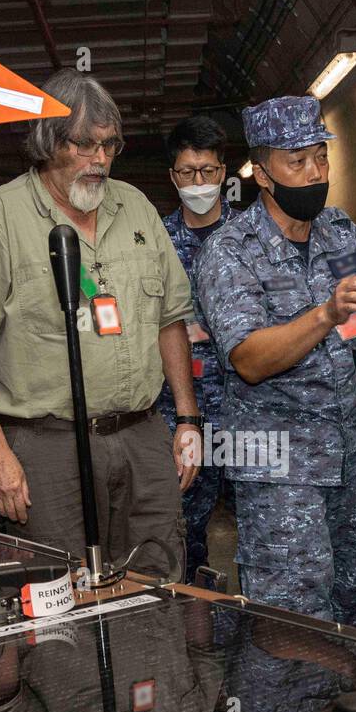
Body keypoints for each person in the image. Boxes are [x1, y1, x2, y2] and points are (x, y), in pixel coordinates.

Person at [0, 70, 198, 578]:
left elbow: (170, 320)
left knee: (158, 578)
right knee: (59, 595)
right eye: (85, 145)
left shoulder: (136, 207)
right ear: (48, 141)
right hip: (46, 447)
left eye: (111, 146)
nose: (100, 160)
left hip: (143, 438)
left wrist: (186, 420)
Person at [193, 95, 356, 626]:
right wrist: (325, 313)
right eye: (296, 162)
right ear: (262, 171)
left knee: (353, 607)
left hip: (349, 458)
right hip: (279, 466)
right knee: (294, 618)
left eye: (320, 157)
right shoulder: (230, 250)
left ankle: (341, 708)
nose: (314, 172)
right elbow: (250, 359)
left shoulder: (340, 233)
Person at [157, 115, 235, 583]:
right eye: (188, 173)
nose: (198, 182)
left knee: (267, 519)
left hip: (246, 404)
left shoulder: (254, 238)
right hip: (178, 408)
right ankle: (190, 618)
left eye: (207, 171)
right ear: (173, 177)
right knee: (182, 521)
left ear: (224, 172)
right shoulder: (153, 241)